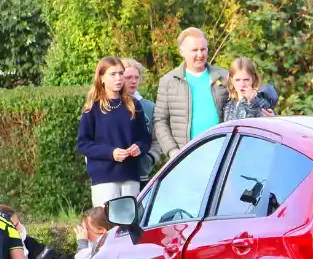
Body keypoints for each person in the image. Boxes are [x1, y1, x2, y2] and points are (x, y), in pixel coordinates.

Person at [77, 57, 152, 207]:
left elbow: (145, 138)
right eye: (113, 74)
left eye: (120, 73)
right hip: (104, 177)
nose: (118, 78)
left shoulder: (133, 105)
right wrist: (111, 153)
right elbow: (83, 144)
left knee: (130, 224)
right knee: (108, 224)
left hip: (130, 175)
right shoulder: (93, 108)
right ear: (101, 78)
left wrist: (139, 147)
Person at [153, 27, 230, 160]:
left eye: (203, 49)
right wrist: (172, 151)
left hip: (221, 154)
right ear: (182, 52)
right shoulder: (169, 81)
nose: (200, 54)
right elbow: (160, 120)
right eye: (194, 50)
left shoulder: (224, 76)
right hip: (185, 157)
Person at [122, 58, 161, 190]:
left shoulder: (150, 108)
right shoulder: (108, 105)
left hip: (141, 174)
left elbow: (157, 139)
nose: (133, 81)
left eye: (136, 77)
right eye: (128, 77)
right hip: (113, 175)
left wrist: (150, 158)